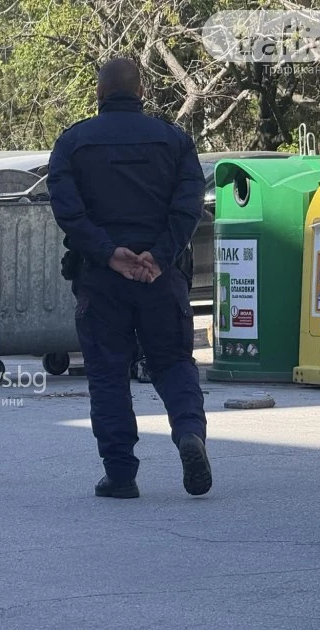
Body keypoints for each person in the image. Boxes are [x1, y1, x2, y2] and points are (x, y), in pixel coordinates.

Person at [47, 57, 212, 499]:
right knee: (173, 362)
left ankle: (120, 474)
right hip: (161, 278)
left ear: (99, 94)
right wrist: (159, 256)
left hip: (101, 281)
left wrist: (107, 253)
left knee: (107, 374)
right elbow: (190, 204)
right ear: (141, 92)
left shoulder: (73, 142)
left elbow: (67, 210)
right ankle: (188, 434)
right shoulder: (175, 140)